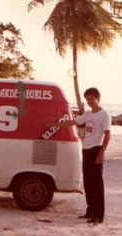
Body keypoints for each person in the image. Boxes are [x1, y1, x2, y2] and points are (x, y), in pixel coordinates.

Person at [48, 87, 111, 224]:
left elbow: (107, 134)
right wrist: (54, 124)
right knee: (88, 183)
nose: (90, 102)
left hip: (96, 149)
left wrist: (102, 152)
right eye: (88, 99)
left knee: (97, 185)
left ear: (98, 99)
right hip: (86, 149)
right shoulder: (88, 114)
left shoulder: (104, 114)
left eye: (92, 99)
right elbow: (73, 122)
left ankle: (98, 216)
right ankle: (90, 211)